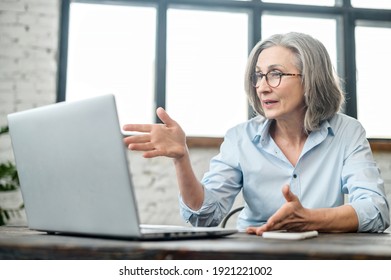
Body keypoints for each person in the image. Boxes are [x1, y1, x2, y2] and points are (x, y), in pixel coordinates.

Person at [123, 32, 390, 234]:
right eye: (259, 76)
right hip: (254, 258)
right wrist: (181, 158)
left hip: (320, 259)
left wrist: (310, 218)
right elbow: (204, 217)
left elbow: (376, 210)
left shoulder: (347, 132)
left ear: (310, 80)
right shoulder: (239, 138)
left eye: (275, 74)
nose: (262, 87)